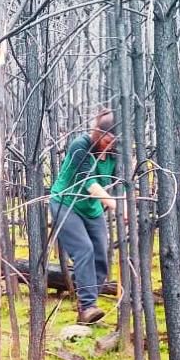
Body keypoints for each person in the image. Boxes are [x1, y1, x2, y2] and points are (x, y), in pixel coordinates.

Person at [49, 110, 118, 324]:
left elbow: (118, 182)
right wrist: (117, 206)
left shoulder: (116, 153)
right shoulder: (81, 146)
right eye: (107, 139)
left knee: (100, 257)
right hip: (65, 202)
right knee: (84, 250)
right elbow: (89, 184)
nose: (110, 144)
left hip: (92, 208)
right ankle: (87, 306)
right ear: (99, 133)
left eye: (114, 140)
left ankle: (90, 306)